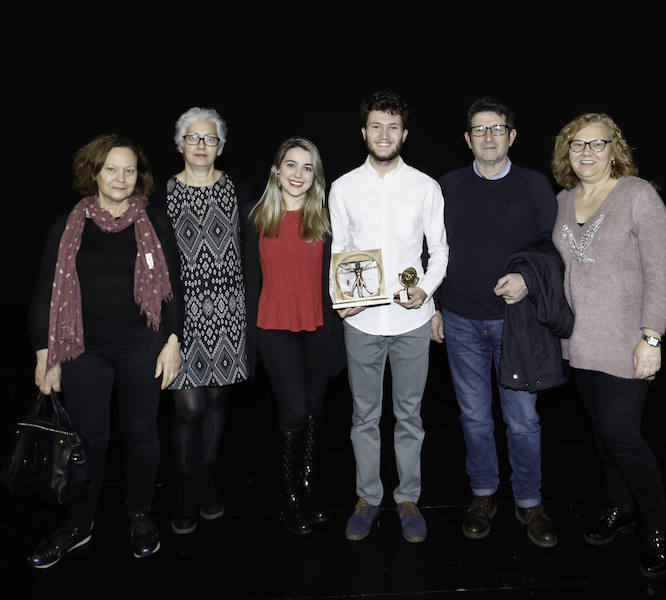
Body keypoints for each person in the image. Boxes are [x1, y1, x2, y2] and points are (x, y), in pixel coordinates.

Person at [27, 134, 184, 567]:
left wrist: (172, 341)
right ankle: (78, 523)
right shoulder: (68, 223)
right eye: (111, 168)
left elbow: (174, 291)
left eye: (129, 169)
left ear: (139, 175)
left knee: (141, 435)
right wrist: (44, 352)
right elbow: (45, 292)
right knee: (89, 441)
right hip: (83, 352)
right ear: (94, 172)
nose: (120, 177)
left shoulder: (154, 222)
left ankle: (139, 515)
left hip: (141, 348)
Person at [550, 112, 666, 578]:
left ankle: (661, 525)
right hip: (580, 344)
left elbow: (661, 275)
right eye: (577, 144)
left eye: (597, 144)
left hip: (629, 342)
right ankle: (620, 507)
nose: (587, 152)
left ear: (614, 149)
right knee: (603, 434)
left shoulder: (637, 196)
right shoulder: (563, 200)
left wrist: (651, 338)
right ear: (567, 152)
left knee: (623, 435)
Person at [433, 97, 564, 547]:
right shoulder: (446, 186)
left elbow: (552, 247)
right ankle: (483, 495)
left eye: (497, 129)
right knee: (473, 417)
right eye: (479, 130)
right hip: (460, 320)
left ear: (511, 136)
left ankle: (529, 501)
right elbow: (429, 251)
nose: (488, 137)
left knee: (523, 420)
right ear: (467, 139)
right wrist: (431, 306)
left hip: (516, 323)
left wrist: (528, 279)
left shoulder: (534, 186)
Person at [328, 90, 448, 543]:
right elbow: (339, 251)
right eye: (376, 126)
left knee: (409, 416)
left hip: (411, 321)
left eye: (392, 127)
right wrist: (341, 298)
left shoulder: (425, 187)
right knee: (363, 415)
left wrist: (426, 290)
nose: (384, 134)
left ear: (404, 134)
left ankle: (408, 497)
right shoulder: (343, 188)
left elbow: (438, 251)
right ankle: (367, 497)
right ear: (364, 132)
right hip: (361, 321)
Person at [150, 107, 251, 535]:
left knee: (214, 401)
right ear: (179, 145)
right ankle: (186, 487)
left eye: (210, 139)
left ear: (221, 147)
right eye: (193, 138)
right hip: (182, 313)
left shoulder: (239, 191)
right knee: (188, 406)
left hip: (230, 310)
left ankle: (208, 476)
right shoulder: (161, 196)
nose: (201, 145)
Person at [243, 136, 345, 535]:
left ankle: (306, 487)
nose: (298, 174)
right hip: (273, 327)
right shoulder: (256, 218)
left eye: (307, 167)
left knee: (316, 406)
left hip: (319, 326)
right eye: (291, 165)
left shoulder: (327, 220)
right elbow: (249, 280)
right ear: (277, 169)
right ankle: (287, 497)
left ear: (315, 175)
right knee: (293, 410)